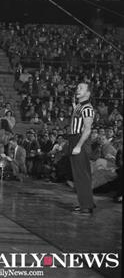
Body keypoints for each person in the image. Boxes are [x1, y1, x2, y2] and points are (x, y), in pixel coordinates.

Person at [68, 82, 95, 215]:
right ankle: (84, 202)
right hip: (74, 139)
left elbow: (88, 129)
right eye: (77, 87)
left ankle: (86, 206)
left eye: (81, 88)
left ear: (88, 93)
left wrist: (78, 146)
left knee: (82, 175)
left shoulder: (87, 108)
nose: (77, 89)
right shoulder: (79, 106)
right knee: (78, 175)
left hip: (80, 141)